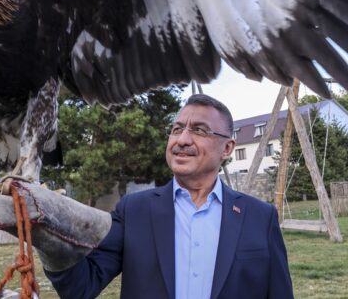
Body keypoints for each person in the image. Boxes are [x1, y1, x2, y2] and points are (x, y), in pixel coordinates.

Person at [46, 94, 294, 298]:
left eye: (199, 130)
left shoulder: (260, 218)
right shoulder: (134, 211)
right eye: (177, 129)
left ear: (227, 148)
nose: (182, 139)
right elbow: (81, 287)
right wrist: (46, 231)